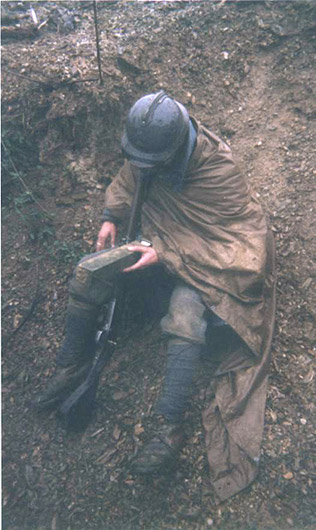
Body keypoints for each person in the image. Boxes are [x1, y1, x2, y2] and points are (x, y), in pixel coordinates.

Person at [34, 91, 276, 502]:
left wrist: (164, 252)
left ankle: (168, 426)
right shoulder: (150, 151)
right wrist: (112, 217)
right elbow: (129, 182)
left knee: (184, 310)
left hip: (207, 263)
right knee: (88, 274)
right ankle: (70, 365)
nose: (143, 167)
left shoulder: (220, 170)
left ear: (174, 150)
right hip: (157, 247)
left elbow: (241, 245)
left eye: (152, 164)